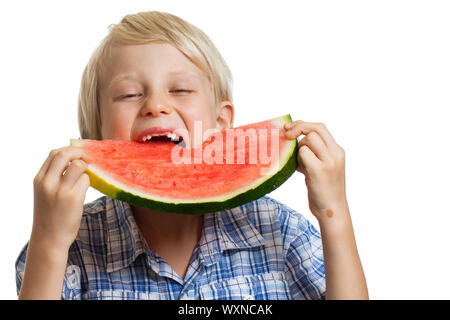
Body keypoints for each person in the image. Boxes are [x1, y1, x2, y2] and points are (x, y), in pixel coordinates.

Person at [15, 11, 368, 300]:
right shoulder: (71, 247)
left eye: (180, 90)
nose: (155, 106)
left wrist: (333, 213)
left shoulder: (281, 231)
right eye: (129, 94)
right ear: (95, 136)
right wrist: (50, 241)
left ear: (221, 124)